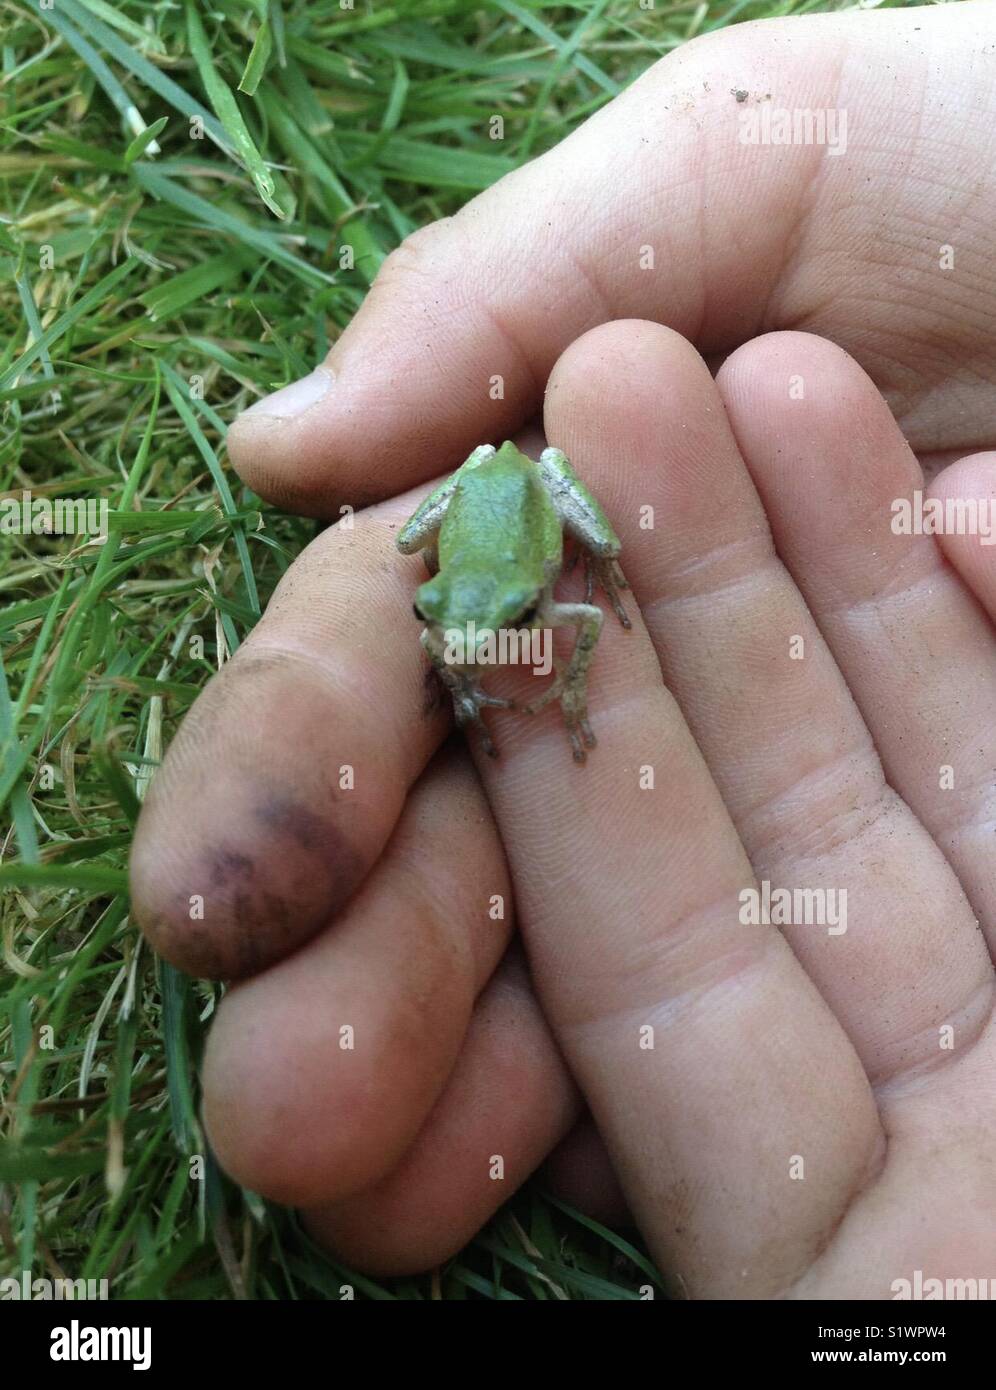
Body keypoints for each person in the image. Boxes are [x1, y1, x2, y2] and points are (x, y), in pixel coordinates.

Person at [130, 2, 996, 1297]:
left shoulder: (551, 603)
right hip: (474, 525)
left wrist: (570, 691)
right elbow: (437, 602)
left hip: (529, 522)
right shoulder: (461, 614)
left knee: (577, 589)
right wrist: (457, 618)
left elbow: (568, 615)